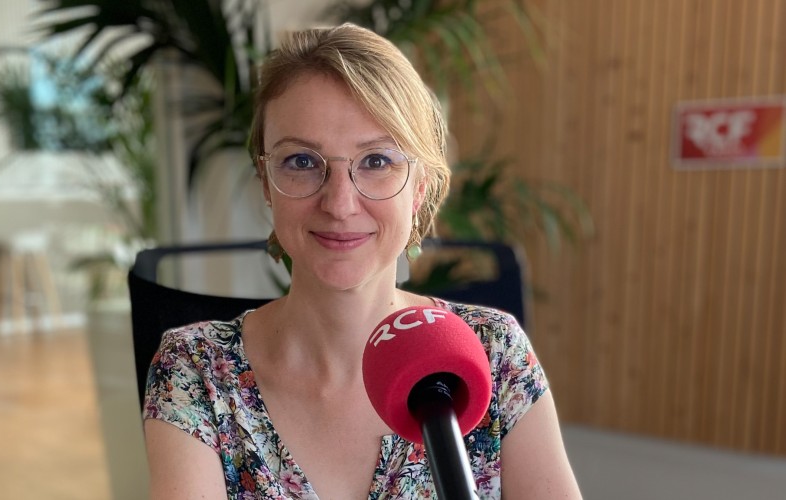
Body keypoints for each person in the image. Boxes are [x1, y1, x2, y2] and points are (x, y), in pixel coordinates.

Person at [142, 23, 582, 499]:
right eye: (302, 161)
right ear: (267, 183)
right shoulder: (196, 370)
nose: (339, 204)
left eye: (376, 161)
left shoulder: (495, 355)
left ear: (419, 187)